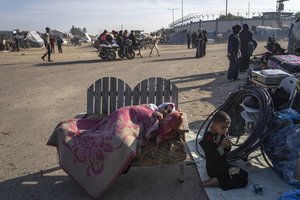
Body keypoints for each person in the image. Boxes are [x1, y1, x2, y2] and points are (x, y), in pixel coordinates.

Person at [199, 111, 248, 190]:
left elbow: (224, 152)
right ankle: (218, 182)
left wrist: (228, 146)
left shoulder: (220, 133)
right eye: (223, 127)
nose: (225, 130)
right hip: (215, 170)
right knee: (243, 181)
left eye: (227, 127)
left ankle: (222, 179)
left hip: (223, 165)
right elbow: (212, 158)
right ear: (214, 124)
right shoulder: (208, 139)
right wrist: (221, 146)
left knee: (244, 174)